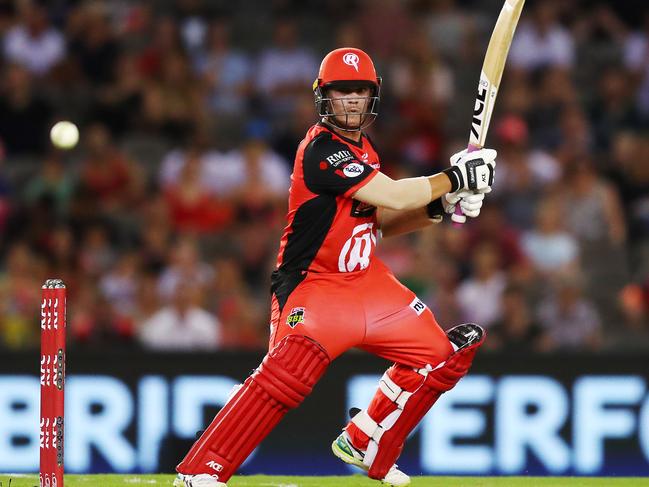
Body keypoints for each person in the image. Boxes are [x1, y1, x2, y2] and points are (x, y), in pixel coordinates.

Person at [173, 47, 496, 487]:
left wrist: (442, 205)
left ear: (372, 97)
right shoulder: (321, 150)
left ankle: (366, 441)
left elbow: (381, 218)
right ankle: (200, 472)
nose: (350, 101)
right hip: (314, 286)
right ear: (323, 97)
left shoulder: (364, 150)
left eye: (359, 92)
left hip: (366, 282)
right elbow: (399, 195)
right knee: (288, 375)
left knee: (440, 357)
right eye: (341, 92)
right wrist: (455, 178)